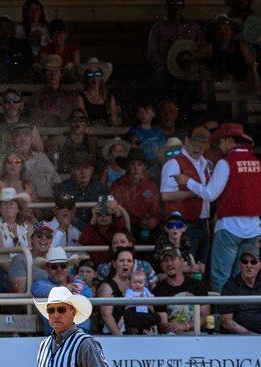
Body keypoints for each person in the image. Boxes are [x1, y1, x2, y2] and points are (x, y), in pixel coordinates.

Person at [172, 123, 261, 294]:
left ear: (229, 140)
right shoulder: (257, 163)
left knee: (221, 277)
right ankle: (241, 316)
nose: (218, 147)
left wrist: (187, 181)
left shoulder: (225, 163)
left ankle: (222, 318)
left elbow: (210, 194)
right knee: (244, 277)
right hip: (253, 229)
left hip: (229, 228)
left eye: (220, 142)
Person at [158, 126, 212, 265]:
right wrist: (197, 192)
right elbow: (166, 195)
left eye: (201, 146)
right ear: (186, 141)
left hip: (202, 222)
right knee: (186, 265)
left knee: (199, 266)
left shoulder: (204, 163)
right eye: (194, 145)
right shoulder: (173, 163)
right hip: (184, 223)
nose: (197, 149)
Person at [31, 247, 92, 334]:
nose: (59, 269)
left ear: (67, 267)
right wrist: (65, 290)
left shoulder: (79, 284)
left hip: (82, 331)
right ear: (47, 269)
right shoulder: (40, 284)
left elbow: (87, 302)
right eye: (54, 266)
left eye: (63, 265)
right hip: (56, 333)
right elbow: (39, 290)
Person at [110, 148, 161, 246]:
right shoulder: (117, 185)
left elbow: (155, 211)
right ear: (127, 166)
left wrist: (154, 220)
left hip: (145, 227)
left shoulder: (151, 186)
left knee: (159, 231)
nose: (136, 168)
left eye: (139, 164)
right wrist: (138, 222)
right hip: (127, 226)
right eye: (132, 164)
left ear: (145, 167)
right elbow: (118, 213)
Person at [154, 246, 210, 335]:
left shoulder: (197, 285)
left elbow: (205, 317)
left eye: (172, 259)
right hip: (172, 336)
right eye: (165, 260)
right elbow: (163, 325)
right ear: (161, 265)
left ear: (181, 261)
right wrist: (179, 331)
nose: (169, 263)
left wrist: (185, 326)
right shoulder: (158, 291)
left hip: (197, 333)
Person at [218, 243, 261, 334]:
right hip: (238, 340)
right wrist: (251, 335)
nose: (249, 266)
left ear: (260, 264)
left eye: (253, 262)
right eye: (245, 261)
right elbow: (226, 322)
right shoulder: (230, 286)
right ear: (240, 264)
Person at [28, 56, 77, 127]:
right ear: (44, 74)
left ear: (61, 74)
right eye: (49, 71)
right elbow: (36, 121)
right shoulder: (37, 97)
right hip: (45, 134)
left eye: (56, 71)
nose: (53, 75)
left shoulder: (69, 96)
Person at [9, 221, 54, 294]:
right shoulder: (19, 260)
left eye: (48, 235)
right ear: (31, 239)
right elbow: (20, 295)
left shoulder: (58, 258)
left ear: (51, 240)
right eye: (39, 235)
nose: (44, 238)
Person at [76, 57, 119, 127]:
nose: (94, 77)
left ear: (101, 77)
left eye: (97, 74)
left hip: (105, 132)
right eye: (90, 74)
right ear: (86, 78)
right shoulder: (81, 97)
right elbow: (85, 121)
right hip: (89, 133)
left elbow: (114, 121)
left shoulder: (108, 97)